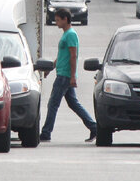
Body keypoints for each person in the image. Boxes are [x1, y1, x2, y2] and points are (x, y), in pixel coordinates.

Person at [39, 8, 97, 143]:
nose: (56, 22)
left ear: (65, 19)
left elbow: (73, 55)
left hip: (64, 76)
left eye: (58, 19)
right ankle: (94, 127)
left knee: (53, 104)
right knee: (73, 104)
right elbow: (62, 56)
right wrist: (51, 67)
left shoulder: (70, 34)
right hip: (63, 74)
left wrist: (72, 76)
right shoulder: (66, 34)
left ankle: (46, 133)